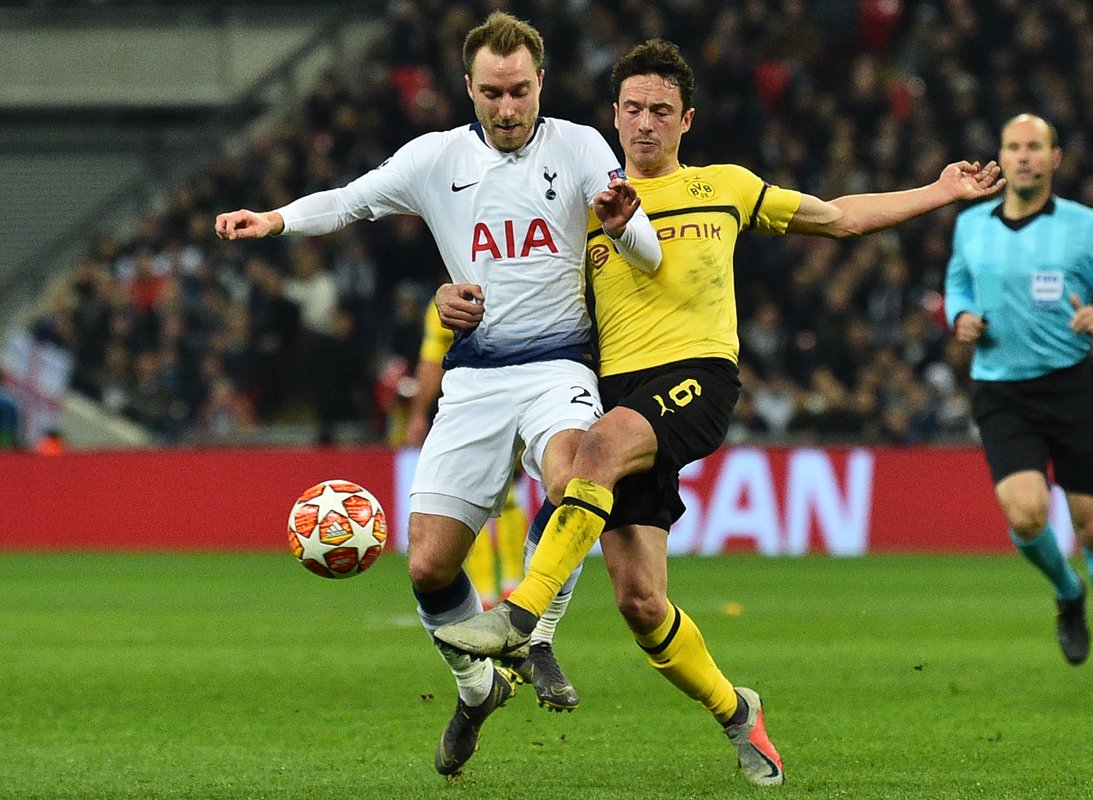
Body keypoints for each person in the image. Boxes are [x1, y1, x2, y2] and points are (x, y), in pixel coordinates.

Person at [433, 39, 1003, 786]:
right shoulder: (581, 203)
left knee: (596, 453)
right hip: (616, 393)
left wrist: (937, 191)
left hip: (698, 378)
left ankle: (519, 620)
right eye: (632, 109)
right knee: (641, 603)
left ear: (686, 120)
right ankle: (739, 711)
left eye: (661, 111)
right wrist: (446, 301)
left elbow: (840, 219)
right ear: (613, 116)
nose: (645, 123)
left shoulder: (724, 187)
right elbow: (511, 278)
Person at [215, 12, 661, 776]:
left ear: (541, 84)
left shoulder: (583, 147)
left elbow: (647, 257)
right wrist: (276, 220)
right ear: (469, 88)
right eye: (492, 92)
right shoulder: (436, 159)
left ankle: (537, 630)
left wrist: (624, 228)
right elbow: (351, 200)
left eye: (520, 90)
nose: (508, 107)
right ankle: (475, 686)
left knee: (573, 475)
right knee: (427, 567)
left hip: (560, 366)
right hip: (475, 380)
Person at [942, 114, 1093, 693]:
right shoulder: (972, 227)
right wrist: (958, 315)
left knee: (1092, 525)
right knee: (1025, 513)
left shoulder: (1084, 228)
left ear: (1055, 158)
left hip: (1070, 386)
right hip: (1001, 388)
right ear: (1002, 158)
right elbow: (957, 287)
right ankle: (1067, 591)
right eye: (1012, 146)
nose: (1023, 156)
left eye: (1035, 146)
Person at [405, 296, 580, 711]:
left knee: (538, 492)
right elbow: (433, 360)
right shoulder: (453, 298)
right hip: (483, 393)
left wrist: (416, 413)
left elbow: (430, 362)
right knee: (487, 507)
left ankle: (508, 596)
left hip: (547, 385)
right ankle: (496, 592)